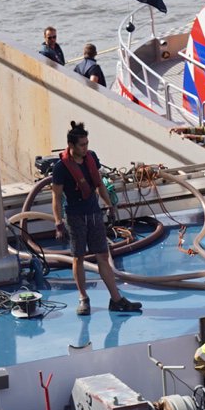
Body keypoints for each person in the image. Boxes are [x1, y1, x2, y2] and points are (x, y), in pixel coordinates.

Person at [49, 120, 138, 316]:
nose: (86, 148)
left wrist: (109, 204)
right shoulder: (60, 168)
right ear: (71, 146)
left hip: (93, 213)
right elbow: (56, 197)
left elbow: (99, 184)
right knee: (78, 257)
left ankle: (116, 299)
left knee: (103, 256)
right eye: (82, 145)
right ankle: (83, 298)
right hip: (75, 216)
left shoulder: (91, 158)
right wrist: (58, 222)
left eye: (87, 143)